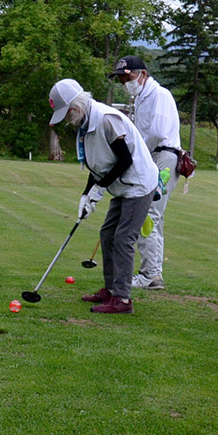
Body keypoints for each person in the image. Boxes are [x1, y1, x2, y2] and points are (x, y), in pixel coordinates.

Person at [48, 78, 158, 314]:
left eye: (66, 114)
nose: (67, 120)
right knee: (107, 233)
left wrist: (100, 189)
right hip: (122, 185)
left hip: (138, 183)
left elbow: (125, 160)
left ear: (75, 109)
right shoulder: (86, 124)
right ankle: (111, 289)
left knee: (124, 238)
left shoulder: (106, 119)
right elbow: (98, 164)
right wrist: (86, 195)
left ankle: (122, 299)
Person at [108, 55, 180, 291]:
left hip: (163, 157)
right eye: (121, 80)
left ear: (143, 74)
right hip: (152, 157)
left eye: (127, 77)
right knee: (149, 215)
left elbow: (158, 132)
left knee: (149, 214)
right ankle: (151, 272)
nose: (125, 83)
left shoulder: (159, 95)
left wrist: (138, 151)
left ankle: (151, 274)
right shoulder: (141, 98)